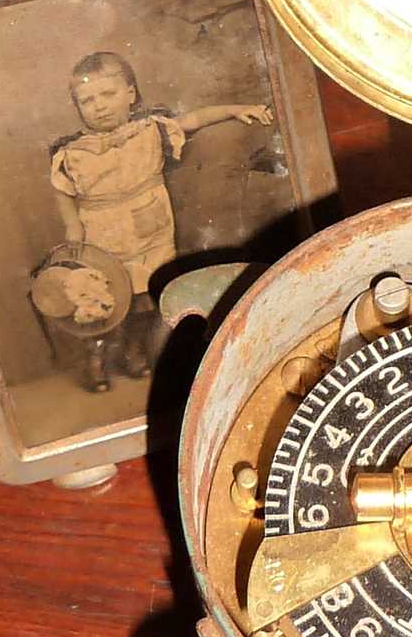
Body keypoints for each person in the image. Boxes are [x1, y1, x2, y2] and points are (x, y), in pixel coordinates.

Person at [49, 50, 272, 388]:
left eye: (108, 94)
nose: (99, 105)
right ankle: (97, 357)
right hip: (101, 231)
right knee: (103, 296)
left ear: (130, 94)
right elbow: (62, 190)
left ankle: (134, 351)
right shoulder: (72, 152)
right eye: (87, 100)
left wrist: (235, 110)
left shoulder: (151, 128)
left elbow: (194, 119)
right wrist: (72, 226)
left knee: (144, 297)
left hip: (149, 228)